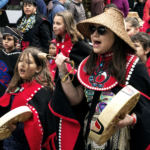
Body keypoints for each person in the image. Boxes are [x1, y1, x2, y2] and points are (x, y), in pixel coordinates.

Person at [55, 7, 150, 150]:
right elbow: (76, 99)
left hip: (119, 140)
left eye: (101, 30)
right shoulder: (87, 64)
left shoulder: (134, 66)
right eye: (92, 29)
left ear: (116, 35)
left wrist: (132, 119)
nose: (94, 35)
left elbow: (147, 108)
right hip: (88, 137)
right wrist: (63, 73)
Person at [48, 10, 91, 149]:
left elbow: (85, 66)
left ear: (67, 25)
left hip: (74, 98)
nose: (54, 26)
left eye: (58, 24)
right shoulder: (60, 41)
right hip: (61, 91)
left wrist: (69, 70)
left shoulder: (78, 45)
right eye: (53, 23)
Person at [0, 47, 54, 150]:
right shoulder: (16, 86)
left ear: (38, 68)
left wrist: (15, 129)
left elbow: (40, 126)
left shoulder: (42, 92)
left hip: (24, 145)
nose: (22, 64)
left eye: (28, 62)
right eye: (20, 61)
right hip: (8, 142)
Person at [0, 26, 21, 97]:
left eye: (9, 39)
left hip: (10, 89)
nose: (6, 41)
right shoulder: (1, 52)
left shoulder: (18, 56)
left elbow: (18, 76)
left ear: (15, 41)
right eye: (4, 39)